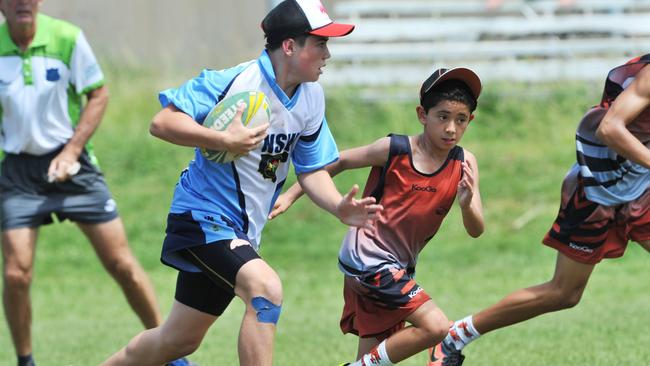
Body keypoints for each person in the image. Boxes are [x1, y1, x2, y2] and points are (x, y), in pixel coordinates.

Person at [101, 1, 383, 365]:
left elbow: (311, 170)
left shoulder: (311, 97)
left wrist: (337, 206)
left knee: (177, 341)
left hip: (242, 230)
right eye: (320, 43)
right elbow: (162, 123)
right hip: (201, 217)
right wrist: (223, 140)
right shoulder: (232, 81)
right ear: (289, 46)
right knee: (265, 289)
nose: (327, 54)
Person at [0, 1, 196, 366]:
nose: (22, 3)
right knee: (15, 272)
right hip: (18, 172)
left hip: (74, 165)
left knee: (121, 263)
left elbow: (98, 94)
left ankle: (169, 356)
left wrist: (72, 151)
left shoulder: (66, 38)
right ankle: (25, 361)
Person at [429, 55, 650, 366]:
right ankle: (456, 335)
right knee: (564, 293)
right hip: (598, 189)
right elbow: (610, 128)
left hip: (643, 188)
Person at [269, 67, 485, 365]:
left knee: (374, 357)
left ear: (470, 120)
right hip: (367, 258)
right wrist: (290, 196)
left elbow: (477, 230)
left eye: (461, 120)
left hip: (399, 266)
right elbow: (338, 161)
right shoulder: (395, 149)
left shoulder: (464, 164)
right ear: (423, 115)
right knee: (436, 327)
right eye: (443, 117)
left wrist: (467, 203)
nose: (451, 128)